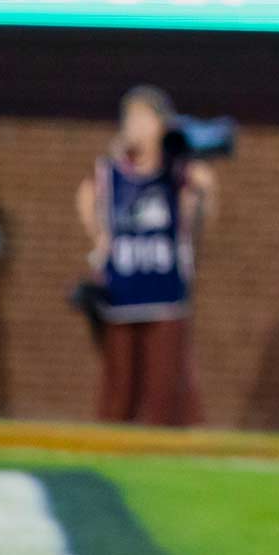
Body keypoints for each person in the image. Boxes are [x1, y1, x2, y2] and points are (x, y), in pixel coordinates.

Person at [75, 85, 217, 426]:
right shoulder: (109, 171)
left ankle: (164, 446)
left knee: (164, 383)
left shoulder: (177, 172)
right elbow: (84, 194)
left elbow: (205, 205)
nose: (135, 126)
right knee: (119, 384)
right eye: (130, 118)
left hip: (165, 291)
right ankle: (111, 445)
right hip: (121, 290)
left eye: (145, 118)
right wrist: (97, 235)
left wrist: (199, 183)